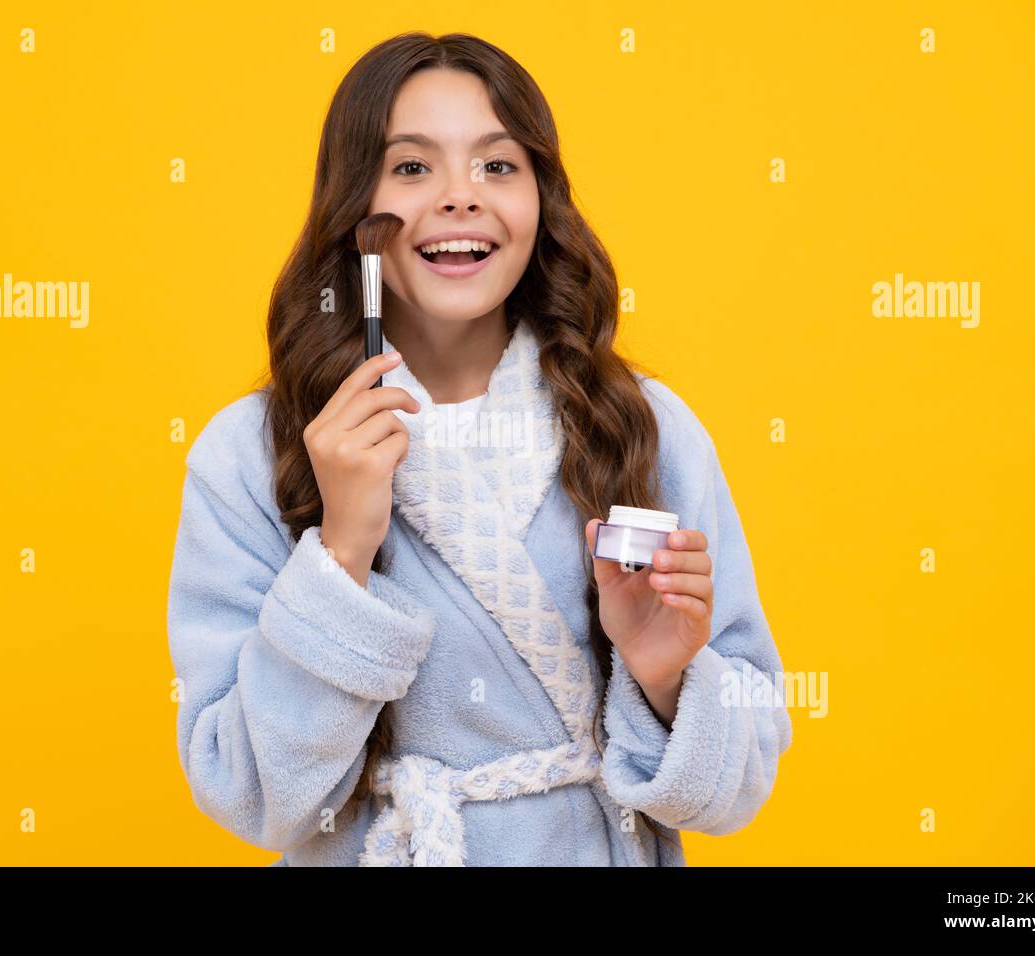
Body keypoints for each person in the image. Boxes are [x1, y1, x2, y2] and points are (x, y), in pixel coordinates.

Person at [167, 31, 791, 866]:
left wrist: (665, 677)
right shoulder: (253, 452)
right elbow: (251, 794)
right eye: (413, 167)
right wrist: (343, 551)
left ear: (542, 199)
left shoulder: (639, 427)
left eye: (498, 165)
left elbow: (740, 782)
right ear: (356, 205)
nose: (461, 197)